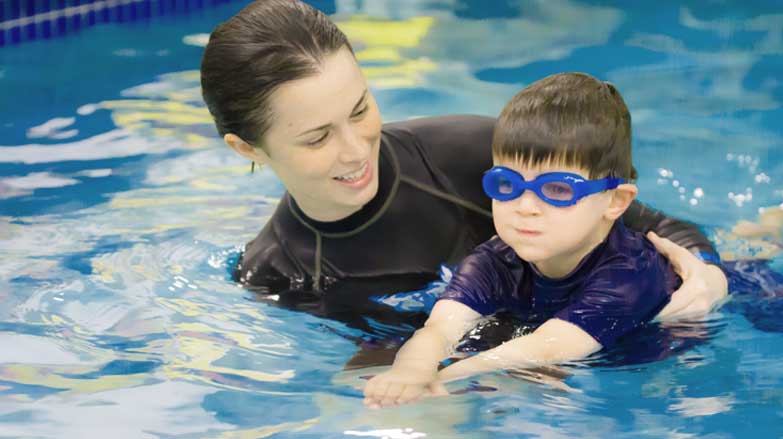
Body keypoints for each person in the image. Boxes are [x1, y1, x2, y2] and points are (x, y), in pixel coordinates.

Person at [199, 0, 727, 326]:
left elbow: (654, 225)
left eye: (361, 109)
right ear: (247, 148)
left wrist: (708, 273)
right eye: (317, 138)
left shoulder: (470, 154)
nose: (357, 150)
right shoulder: (278, 273)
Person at [363, 72, 698, 408]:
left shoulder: (630, 273)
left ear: (614, 202)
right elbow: (439, 329)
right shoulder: (493, 260)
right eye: (506, 184)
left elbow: (547, 347)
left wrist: (444, 376)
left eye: (557, 190)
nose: (525, 208)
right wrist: (411, 371)